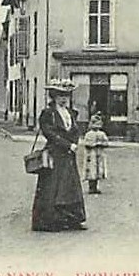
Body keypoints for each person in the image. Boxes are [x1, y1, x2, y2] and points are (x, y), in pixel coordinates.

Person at [31, 79, 87, 232]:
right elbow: (50, 133)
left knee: (70, 186)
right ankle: (50, 221)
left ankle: (71, 220)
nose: (63, 99)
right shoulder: (48, 114)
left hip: (69, 155)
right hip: (55, 154)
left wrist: (74, 142)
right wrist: (67, 144)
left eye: (66, 95)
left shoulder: (70, 113)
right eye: (60, 95)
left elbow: (75, 130)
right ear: (53, 96)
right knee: (53, 187)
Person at [82, 114, 109, 194]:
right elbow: (86, 143)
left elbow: (106, 143)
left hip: (99, 154)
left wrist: (101, 143)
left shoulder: (102, 134)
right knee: (91, 170)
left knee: (98, 170)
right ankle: (91, 187)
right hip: (91, 155)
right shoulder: (88, 134)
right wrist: (92, 144)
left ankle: (96, 186)